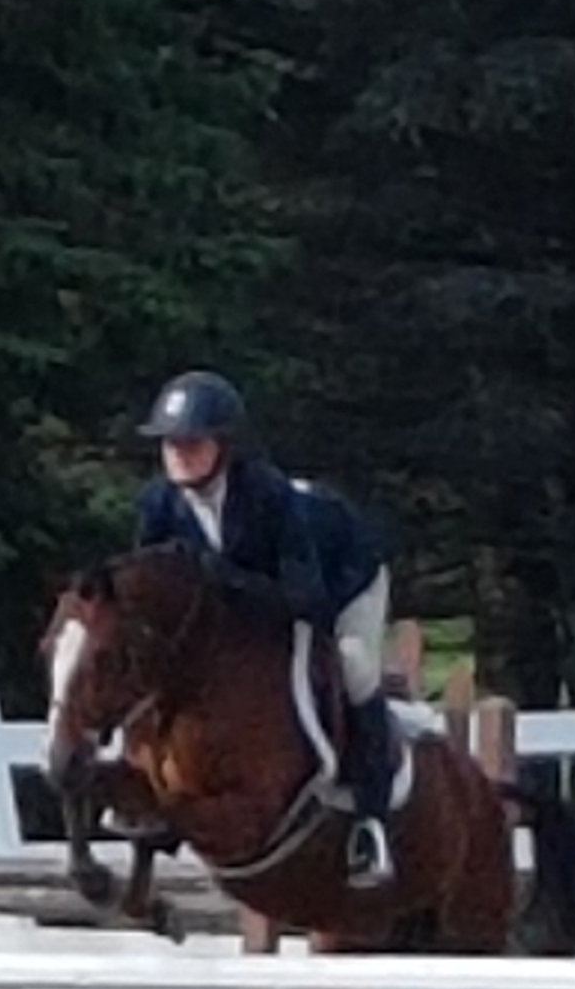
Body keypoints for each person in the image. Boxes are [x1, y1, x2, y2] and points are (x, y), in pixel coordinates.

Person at [130, 367, 400, 887]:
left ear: (224, 445)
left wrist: (222, 578)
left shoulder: (269, 497)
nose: (179, 453)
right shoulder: (158, 504)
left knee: (353, 664)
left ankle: (372, 818)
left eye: (192, 442)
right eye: (169, 443)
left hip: (346, 579)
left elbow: (308, 601)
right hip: (257, 605)